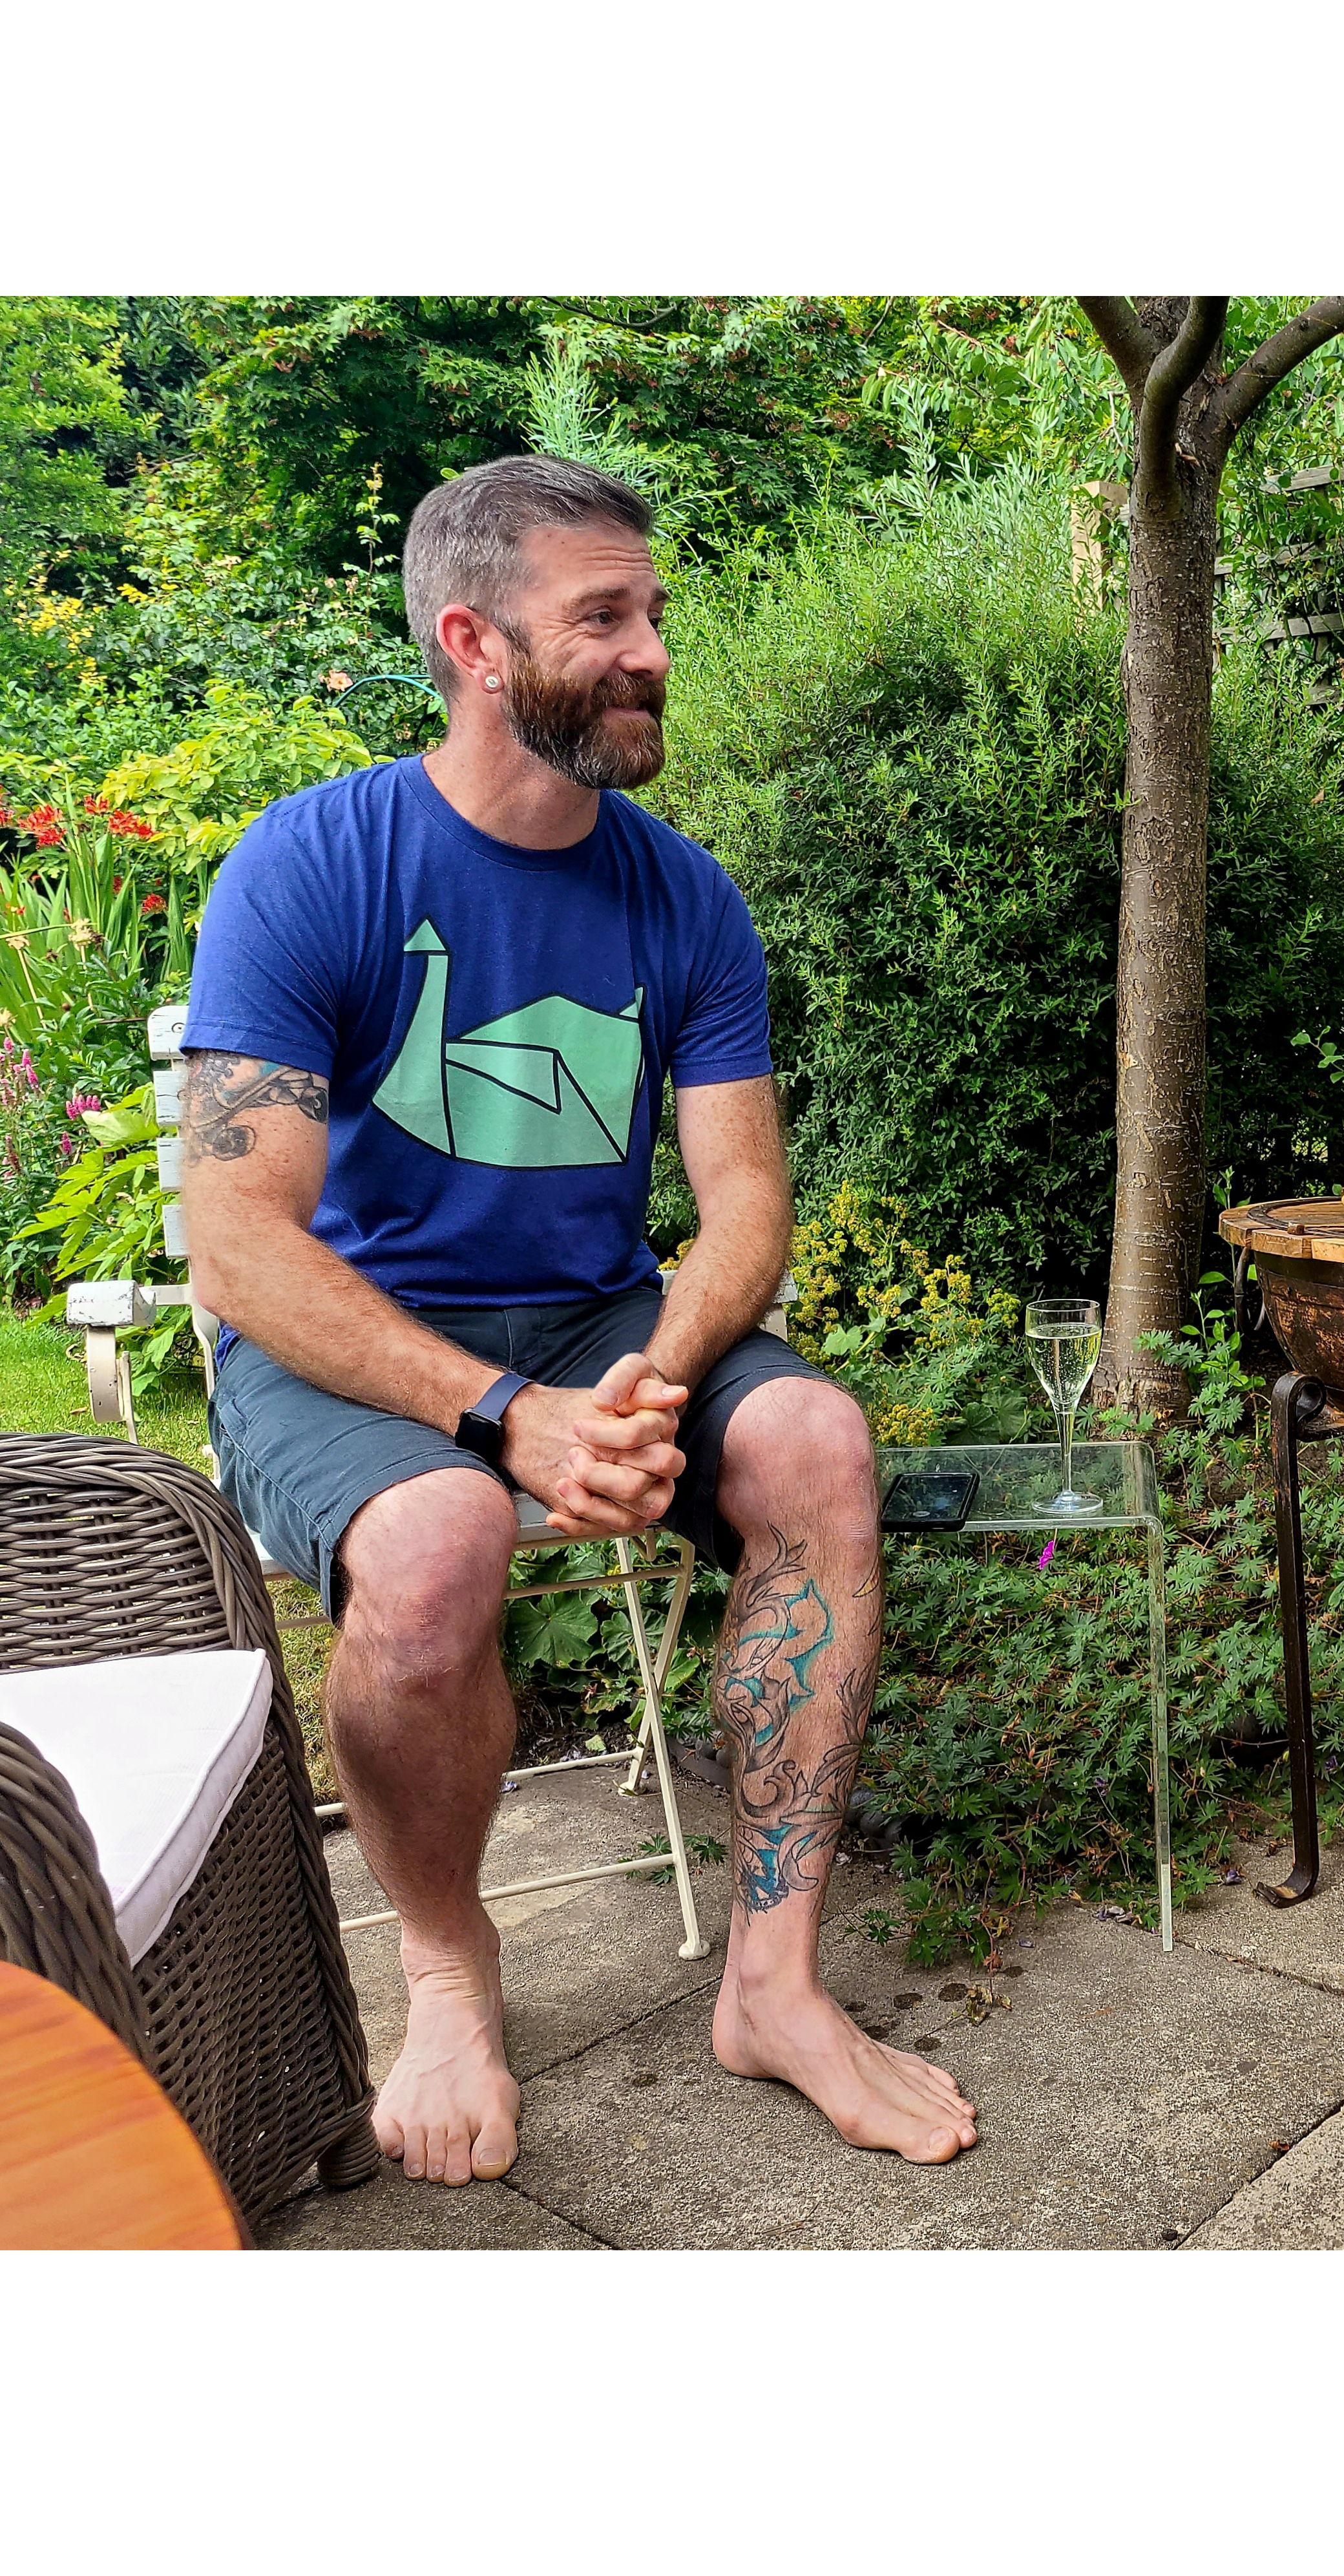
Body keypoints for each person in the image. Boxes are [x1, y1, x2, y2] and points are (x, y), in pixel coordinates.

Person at [182, 454, 976, 2181]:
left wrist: (653, 1381)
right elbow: (237, 1240)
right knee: (440, 1548)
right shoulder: (315, 865)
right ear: (473, 641)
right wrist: (504, 1418)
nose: (653, 652)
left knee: (815, 1443)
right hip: (356, 1335)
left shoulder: (682, 895)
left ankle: (772, 1983)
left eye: (655, 615)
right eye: (602, 618)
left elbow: (744, 1205)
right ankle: (453, 1973)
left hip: (598, 1320)